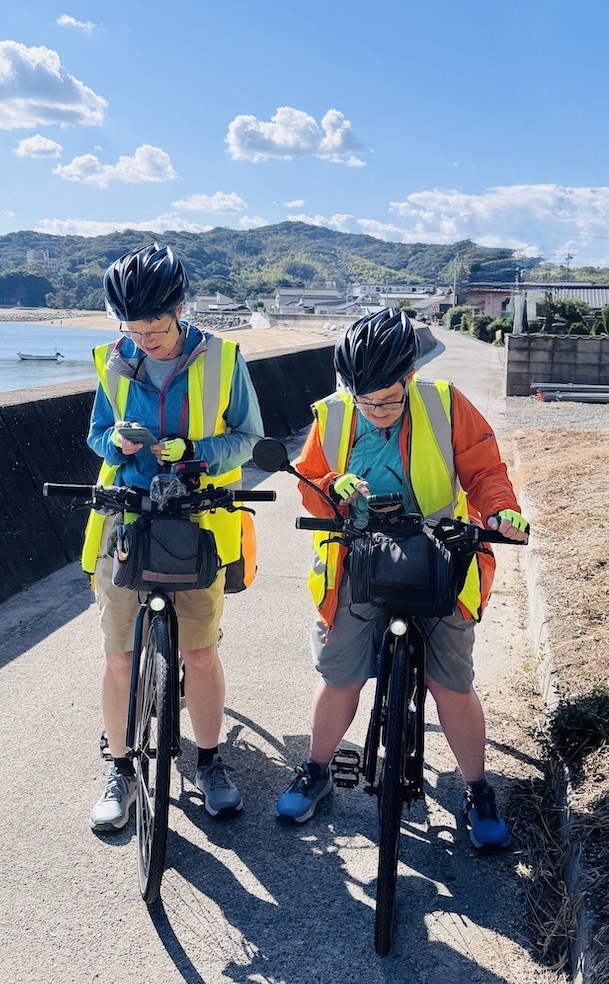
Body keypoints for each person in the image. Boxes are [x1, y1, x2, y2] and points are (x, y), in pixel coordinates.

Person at [275, 308, 529, 852]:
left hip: (439, 556)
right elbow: (310, 479)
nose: (378, 411)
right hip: (358, 558)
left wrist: (501, 512)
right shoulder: (337, 415)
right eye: (368, 402)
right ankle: (316, 770)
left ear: (410, 378)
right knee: (340, 675)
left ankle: (477, 789)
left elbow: (485, 471)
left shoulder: (444, 404)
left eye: (389, 400)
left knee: (451, 684)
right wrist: (331, 484)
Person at [83, 242, 264, 832]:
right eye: (133, 328)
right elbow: (96, 435)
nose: (146, 338)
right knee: (118, 656)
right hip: (127, 519)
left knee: (200, 652)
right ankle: (118, 770)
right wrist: (120, 444)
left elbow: (248, 437)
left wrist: (195, 453)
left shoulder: (223, 358)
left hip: (197, 520)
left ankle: (209, 763)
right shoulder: (113, 360)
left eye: (156, 327)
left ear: (179, 309)